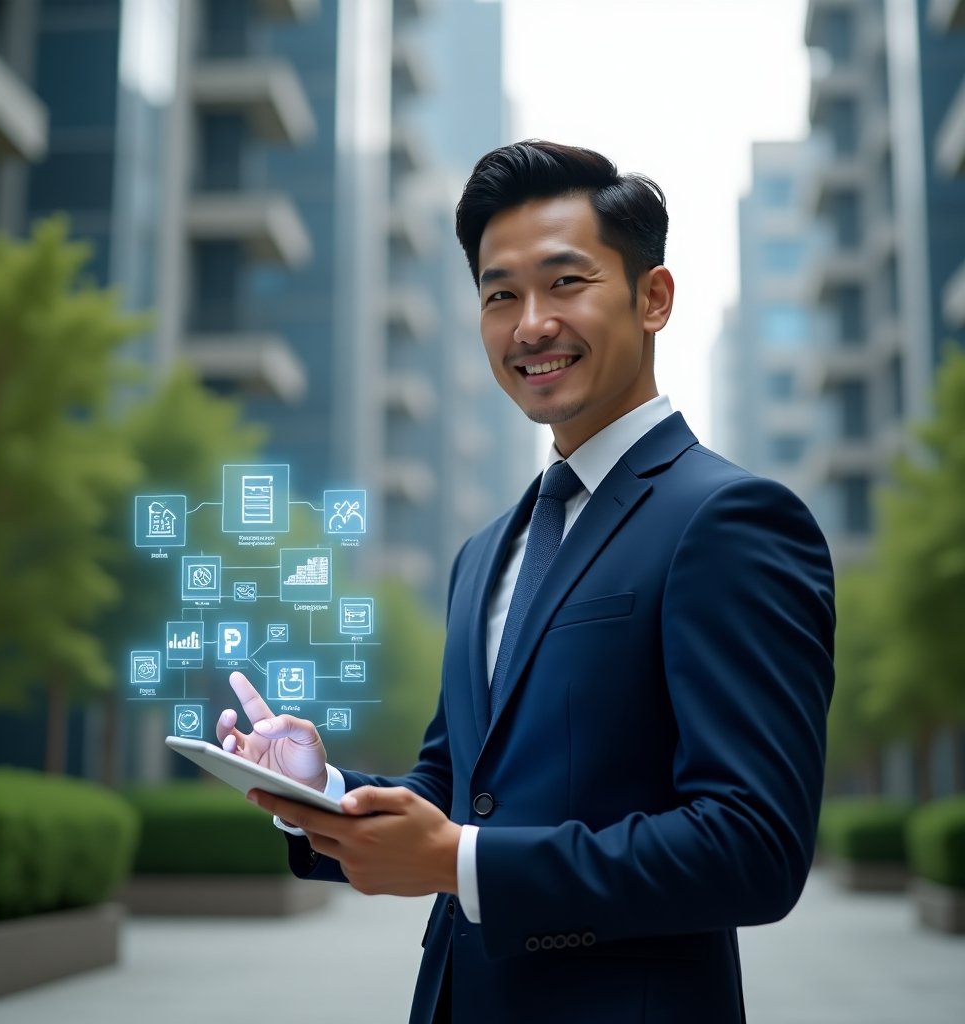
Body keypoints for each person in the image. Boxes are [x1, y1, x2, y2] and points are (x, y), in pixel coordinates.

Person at [216, 140, 835, 1023]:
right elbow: (455, 784)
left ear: (652, 298)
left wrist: (462, 864)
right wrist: (314, 790)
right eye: (500, 294)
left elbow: (753, 847)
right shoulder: (486, 552)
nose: (530, 324)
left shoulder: (730, 519)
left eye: (566, 283)